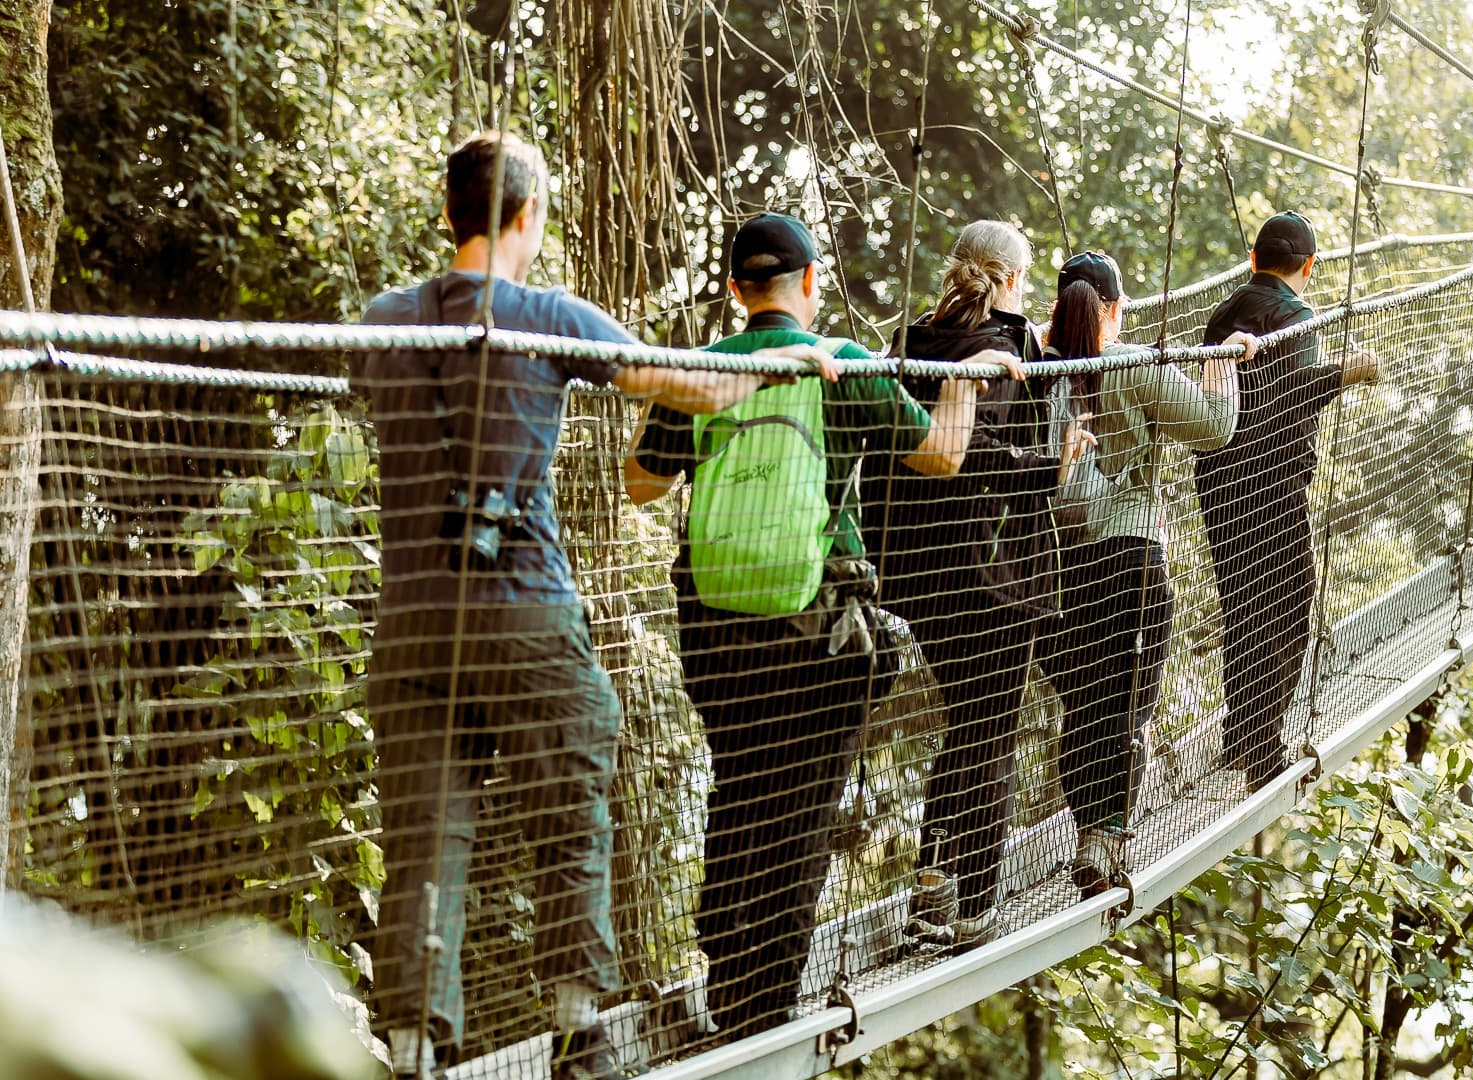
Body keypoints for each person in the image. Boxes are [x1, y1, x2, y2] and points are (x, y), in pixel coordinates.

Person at [354, 134, 837, 1080]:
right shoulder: (547, 316)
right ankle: (580, 1026)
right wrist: (797, 360)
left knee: (425, 829)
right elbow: (693, 385)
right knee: (575, 780)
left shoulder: (384, 321)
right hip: (523, 609)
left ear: (452, 214)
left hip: (410, 621)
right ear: (527, 216)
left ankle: (411, 1046)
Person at [622, 212, 1007, 1043]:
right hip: (822, 632)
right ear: (809, 283)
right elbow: (940, 454)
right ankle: (765, 1018)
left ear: (735, 288)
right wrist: (968, 379)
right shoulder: (846, 367)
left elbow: (642, 485)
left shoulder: (701, 369)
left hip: (716, 626)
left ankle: (727, 988)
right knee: (800, 815)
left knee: (740, 794)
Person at [861, 219, 1087, 951]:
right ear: (1015, 279)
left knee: (967, 723)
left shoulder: (905, 343)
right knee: (993, 731)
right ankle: (973, 907)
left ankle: (933, 886)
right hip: (992, 569)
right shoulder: (1012, 343)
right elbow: (982, 450)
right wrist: (1046, 471)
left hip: (915, 572)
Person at [1036, 251, 1254, 895]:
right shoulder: (1131, 365)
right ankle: (1102, 839)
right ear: (1112, 309)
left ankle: (1088, 828)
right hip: (1131, 557)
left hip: (1057, 564)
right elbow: (1214, 428)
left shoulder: (1032, 369)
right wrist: (1220, 367)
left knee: (1082, 706)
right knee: (1127, 704)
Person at [1192, 211, 1380, 792]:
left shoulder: (1221, 313)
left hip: (1218, 476)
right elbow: (1291, 395)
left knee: (1242, 604)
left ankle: (1240, 733)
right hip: (1272, 480)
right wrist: (1345, 374)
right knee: (1289, 606)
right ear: (1309, 267)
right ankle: (1260, 742)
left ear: (1253, 260)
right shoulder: (1297, 315)